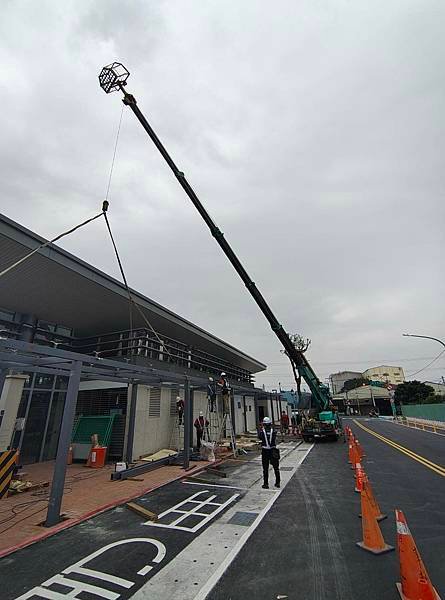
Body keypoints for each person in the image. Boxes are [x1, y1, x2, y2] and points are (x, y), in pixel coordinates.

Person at [258, 416, 280, 489]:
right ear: (270, 424)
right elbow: (274, 439)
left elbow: (259, 437)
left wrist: (260, 428)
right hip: (273, 450)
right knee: (276, 467)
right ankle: (277, 483)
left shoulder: (262, 432)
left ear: (264, 424)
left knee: (265, 468)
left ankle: (266, 484)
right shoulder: (273, 431)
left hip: (265, 451)